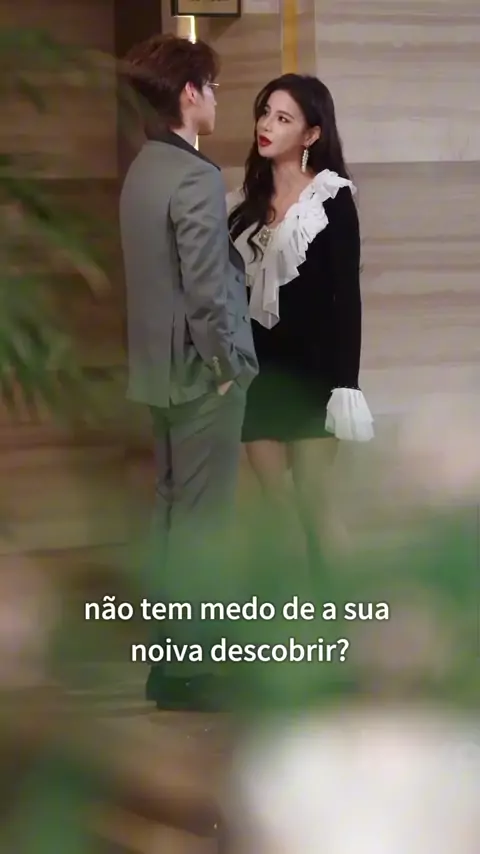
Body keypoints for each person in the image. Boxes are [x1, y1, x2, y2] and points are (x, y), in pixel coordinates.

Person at [119, 34, 258, 709]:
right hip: (202, 375)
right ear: (188, 93)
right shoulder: (194, 175)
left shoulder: (144, 168)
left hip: (157, 371)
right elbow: (205, 286)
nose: (217, 99)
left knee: (174, 516)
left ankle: (169, 662)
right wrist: (227, 364)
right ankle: (191, 671)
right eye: (212, 87)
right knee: (204, 523)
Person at [228, 74, 374, 550]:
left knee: (316, 507)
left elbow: (346, 299)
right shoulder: (242, 204)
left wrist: (346, 385)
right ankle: (293, 598)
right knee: (276, 508)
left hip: (315, 377)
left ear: (311, 134)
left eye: (283, 118)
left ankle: (343, 598)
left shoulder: (331, 198)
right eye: (264, 113)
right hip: (260, 376)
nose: (266, 125)